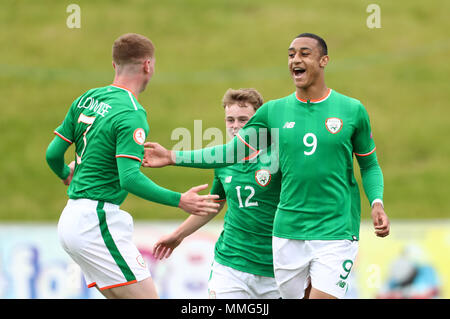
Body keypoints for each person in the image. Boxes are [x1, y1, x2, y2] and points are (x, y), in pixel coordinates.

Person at [143, 33, 390, 299]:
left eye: (304, 53)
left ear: (324, 60)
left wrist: (377, 202)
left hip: (336, 231)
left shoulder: (351, 110)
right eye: (291, 54)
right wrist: (173, 156)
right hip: (283, 238)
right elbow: (230, 153)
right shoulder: (274, 112)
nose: (296, 59)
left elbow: (369, 164)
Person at [45, 33, 219, 299]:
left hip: (70, 220)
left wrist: (65, 173)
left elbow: (52, 154)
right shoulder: (131, 113)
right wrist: (180, 200)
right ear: (148, 65)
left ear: (115, 65)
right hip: (97, 221)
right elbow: (130, 178)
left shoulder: (86, 98)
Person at [151, 88, 282, 299]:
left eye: (243, 119)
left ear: (258, 120)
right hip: (231, 265)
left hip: (275, 269)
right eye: (230, 120)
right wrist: (178, 235)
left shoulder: (278, 156)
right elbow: (214, 205)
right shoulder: (222, 161)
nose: (236, 126)